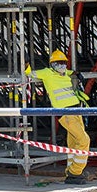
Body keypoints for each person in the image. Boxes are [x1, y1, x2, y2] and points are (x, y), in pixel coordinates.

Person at [26, 49, 89, 182]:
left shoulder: (65, 73)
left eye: (63, 63)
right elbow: (30, 74)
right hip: (65, 113)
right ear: (52, 65)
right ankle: (75, 172)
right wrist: (26, 65)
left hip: (76, 111)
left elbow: (69, 72)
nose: (61, 66)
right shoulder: (47, 73)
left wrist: (76, 73)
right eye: (58, 63)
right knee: (84, 140)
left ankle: (70, 171)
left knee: (73, 143)